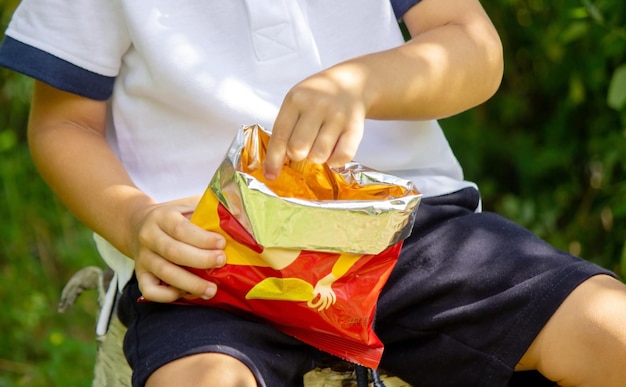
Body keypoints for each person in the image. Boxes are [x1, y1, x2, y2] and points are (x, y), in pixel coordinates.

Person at [1, 0, 625, 386]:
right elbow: (62, 124)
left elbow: (473, 45)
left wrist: (359, 83)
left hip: (400, 227)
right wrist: (133, 220)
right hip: (213, 264)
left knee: (609, 331)